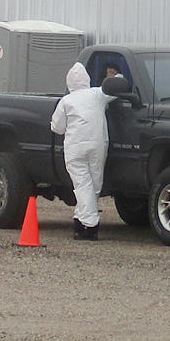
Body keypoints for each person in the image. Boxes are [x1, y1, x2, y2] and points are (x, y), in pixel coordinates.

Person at [50, 62, 115, 241]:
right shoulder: (97, 94)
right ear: (87, 79)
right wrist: (117, 76)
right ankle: (86, 223)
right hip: (97, 144)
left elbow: (57, 128)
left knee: (82, 185)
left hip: (75, 148)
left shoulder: (66, 101)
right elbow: (116, 87)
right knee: (94, 184)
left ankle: (86, 224)